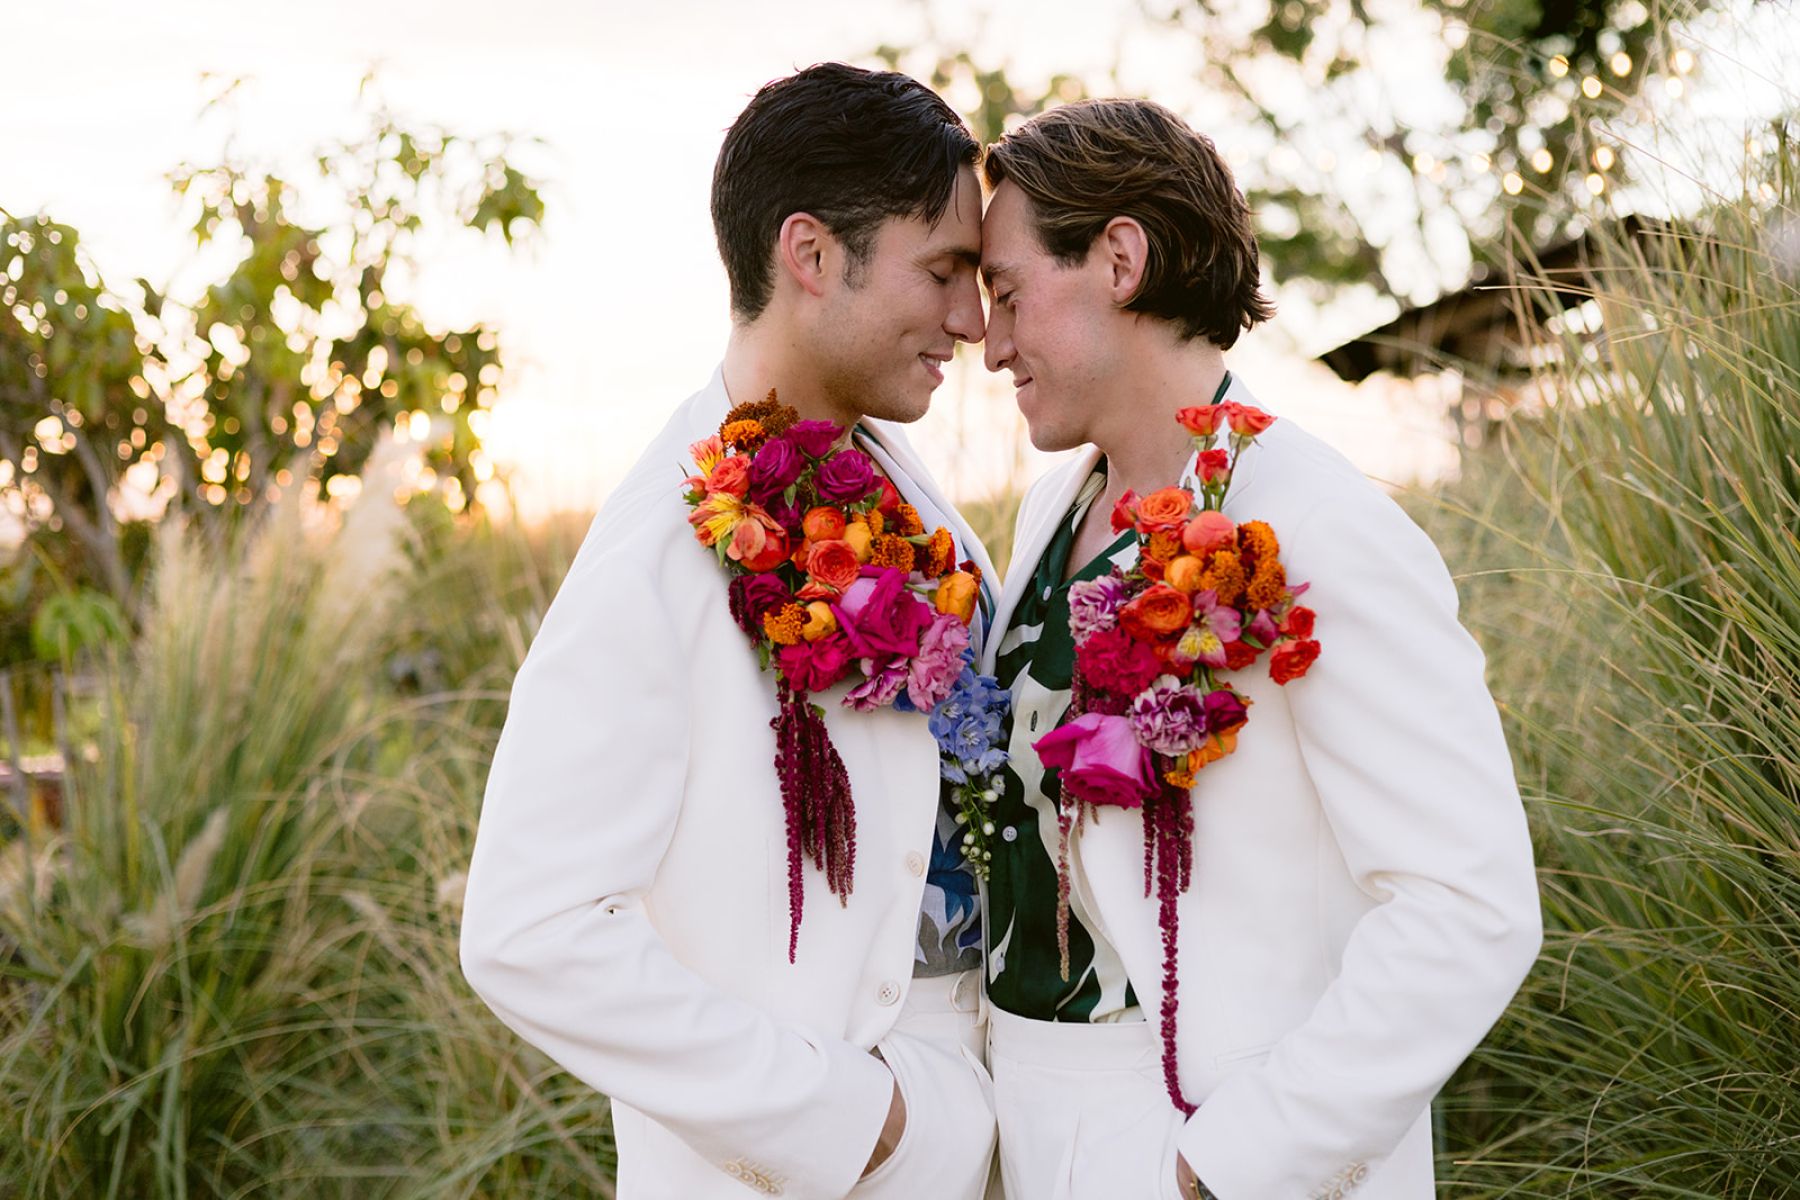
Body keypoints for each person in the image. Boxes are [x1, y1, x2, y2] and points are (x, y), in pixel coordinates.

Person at [974, 98, 1542, 1199]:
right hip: (1028, 1123)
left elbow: (1467, 904)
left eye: (1008, 295)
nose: (989, 344)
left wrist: (1234, 1166)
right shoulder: (1050, 508)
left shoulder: (1319, 524)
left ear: (1121, 260)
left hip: (1208, 1129)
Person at [460, 63, 1001, 1200]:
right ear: (810, 255)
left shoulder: (911, 495)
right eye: (943, 269)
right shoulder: (663, 542)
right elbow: (530, 930)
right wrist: (854, 1123)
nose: (970, 317)